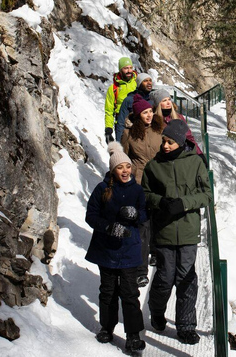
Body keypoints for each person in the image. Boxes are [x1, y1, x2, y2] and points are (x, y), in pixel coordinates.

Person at [142, 119, 213, 345]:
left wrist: (184, 203)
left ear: (181, 142)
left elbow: (207, 195)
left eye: (170, 142)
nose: (165, 146)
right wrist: (160, 202)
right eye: (164, 141)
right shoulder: (154, 166)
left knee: (186, 278)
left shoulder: (195, 163)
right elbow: (144, 194)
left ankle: (186, 326)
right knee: (164, 277)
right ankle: (157, 311)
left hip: (189, 232)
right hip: (163, 231)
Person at [85, 143, 147, 353]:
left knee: (130, 293)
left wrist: (136, 215)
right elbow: (91, 216)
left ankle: (133, 335)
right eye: (120, 167)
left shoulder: (137, 190)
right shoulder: (102, 189)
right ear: (113, 170)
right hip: (107, 249)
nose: (125, 171)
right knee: (108, 291)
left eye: (127, 167)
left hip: (129, 249)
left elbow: (145, 213)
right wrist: (108, 226)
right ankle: (106, 327)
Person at [121, 94, 164, 287]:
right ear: (138, 115)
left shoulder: (160, 129)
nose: (148, 115)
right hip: (139, 183)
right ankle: (141, 270)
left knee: (158, 220)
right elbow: (122, 160)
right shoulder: (129, 134)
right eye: (144, 112)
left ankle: (155, 252)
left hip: (160, 180)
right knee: (143, 226)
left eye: (150, 111)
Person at [149, 89, 203, 155]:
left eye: (169, 99)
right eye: (164, 100)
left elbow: (189, 137)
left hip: (180, 155)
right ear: (158, 104)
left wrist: (199, 153)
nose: (168, 103)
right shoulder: (154, 120)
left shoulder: (178, 117)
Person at [104, 57, 137, 144]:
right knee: (122, 152)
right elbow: (109, 110)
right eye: (126, 68)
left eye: (130, 68)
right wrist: (108, 130)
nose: (129, 71)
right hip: (121, 123)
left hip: (138, 120)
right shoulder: (113, 88)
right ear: (120, 70)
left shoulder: (138, 83)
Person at [115, 72, 154, 141]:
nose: (149, 83)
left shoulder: (152, 101)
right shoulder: (129, 100)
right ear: (139, 84)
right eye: (145, 81)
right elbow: (121, 123)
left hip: (150, 140)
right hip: (133, 139)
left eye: (150, 80)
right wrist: (119, 145)